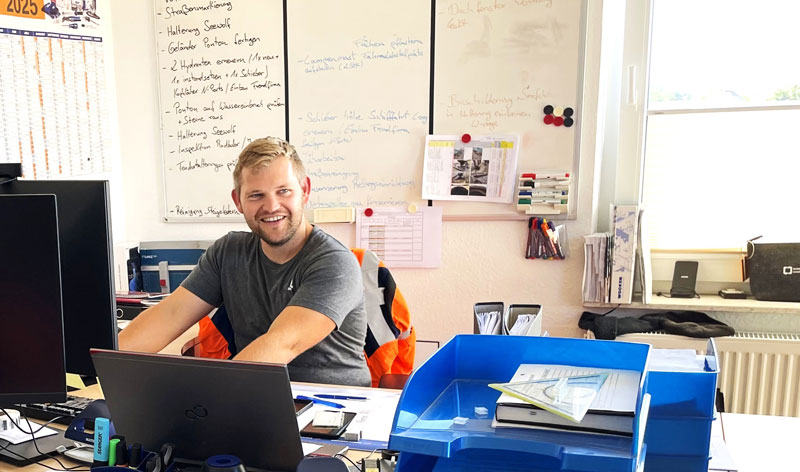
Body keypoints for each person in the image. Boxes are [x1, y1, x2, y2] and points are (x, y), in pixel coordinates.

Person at [119, 137, 371, 386]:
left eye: (283, 191)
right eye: (256, 195)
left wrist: (211, 401)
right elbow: (169, 315)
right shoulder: (228, 252)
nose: (272, 206)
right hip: (260, 395)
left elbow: (282, 343)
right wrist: (98, 364)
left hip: (336, 407)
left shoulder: (334, 263)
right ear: (238, 201)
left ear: (304, 191)